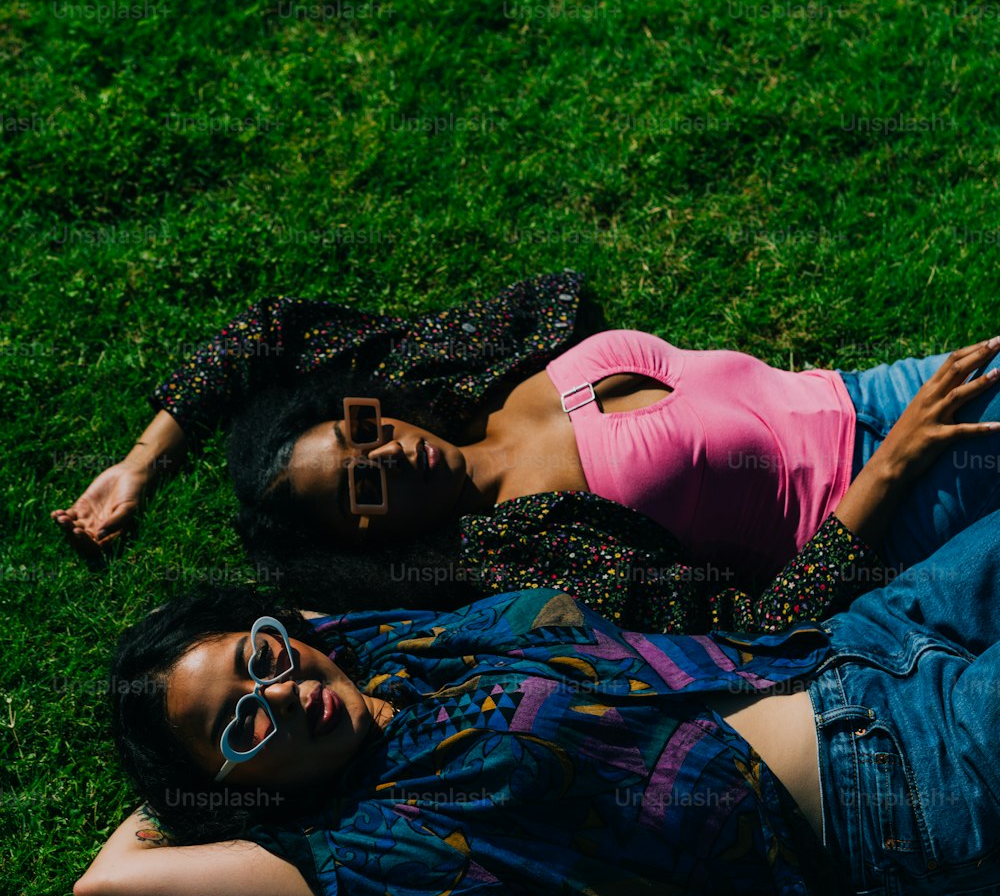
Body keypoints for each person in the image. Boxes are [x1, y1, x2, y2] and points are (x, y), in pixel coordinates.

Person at [75, 505, 1000, 896]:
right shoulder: (376, 843)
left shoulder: (395, 650)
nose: (277, 692)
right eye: (241, 721)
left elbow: (289, 631)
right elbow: (112, 883)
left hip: (861, 641)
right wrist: (191, 788)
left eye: (261, 658)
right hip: (907, 783)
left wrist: (259, 661)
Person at [52, 270, 1000, 631]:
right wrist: (891, 470)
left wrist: (142, 461)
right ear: (371, 541)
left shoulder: (463, 374)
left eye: (359, 434)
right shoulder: (529, 551)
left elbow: (271, 331)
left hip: (882, 389)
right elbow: (751, 626)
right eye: (364, 491)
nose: (387, 456)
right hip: (901, 507)